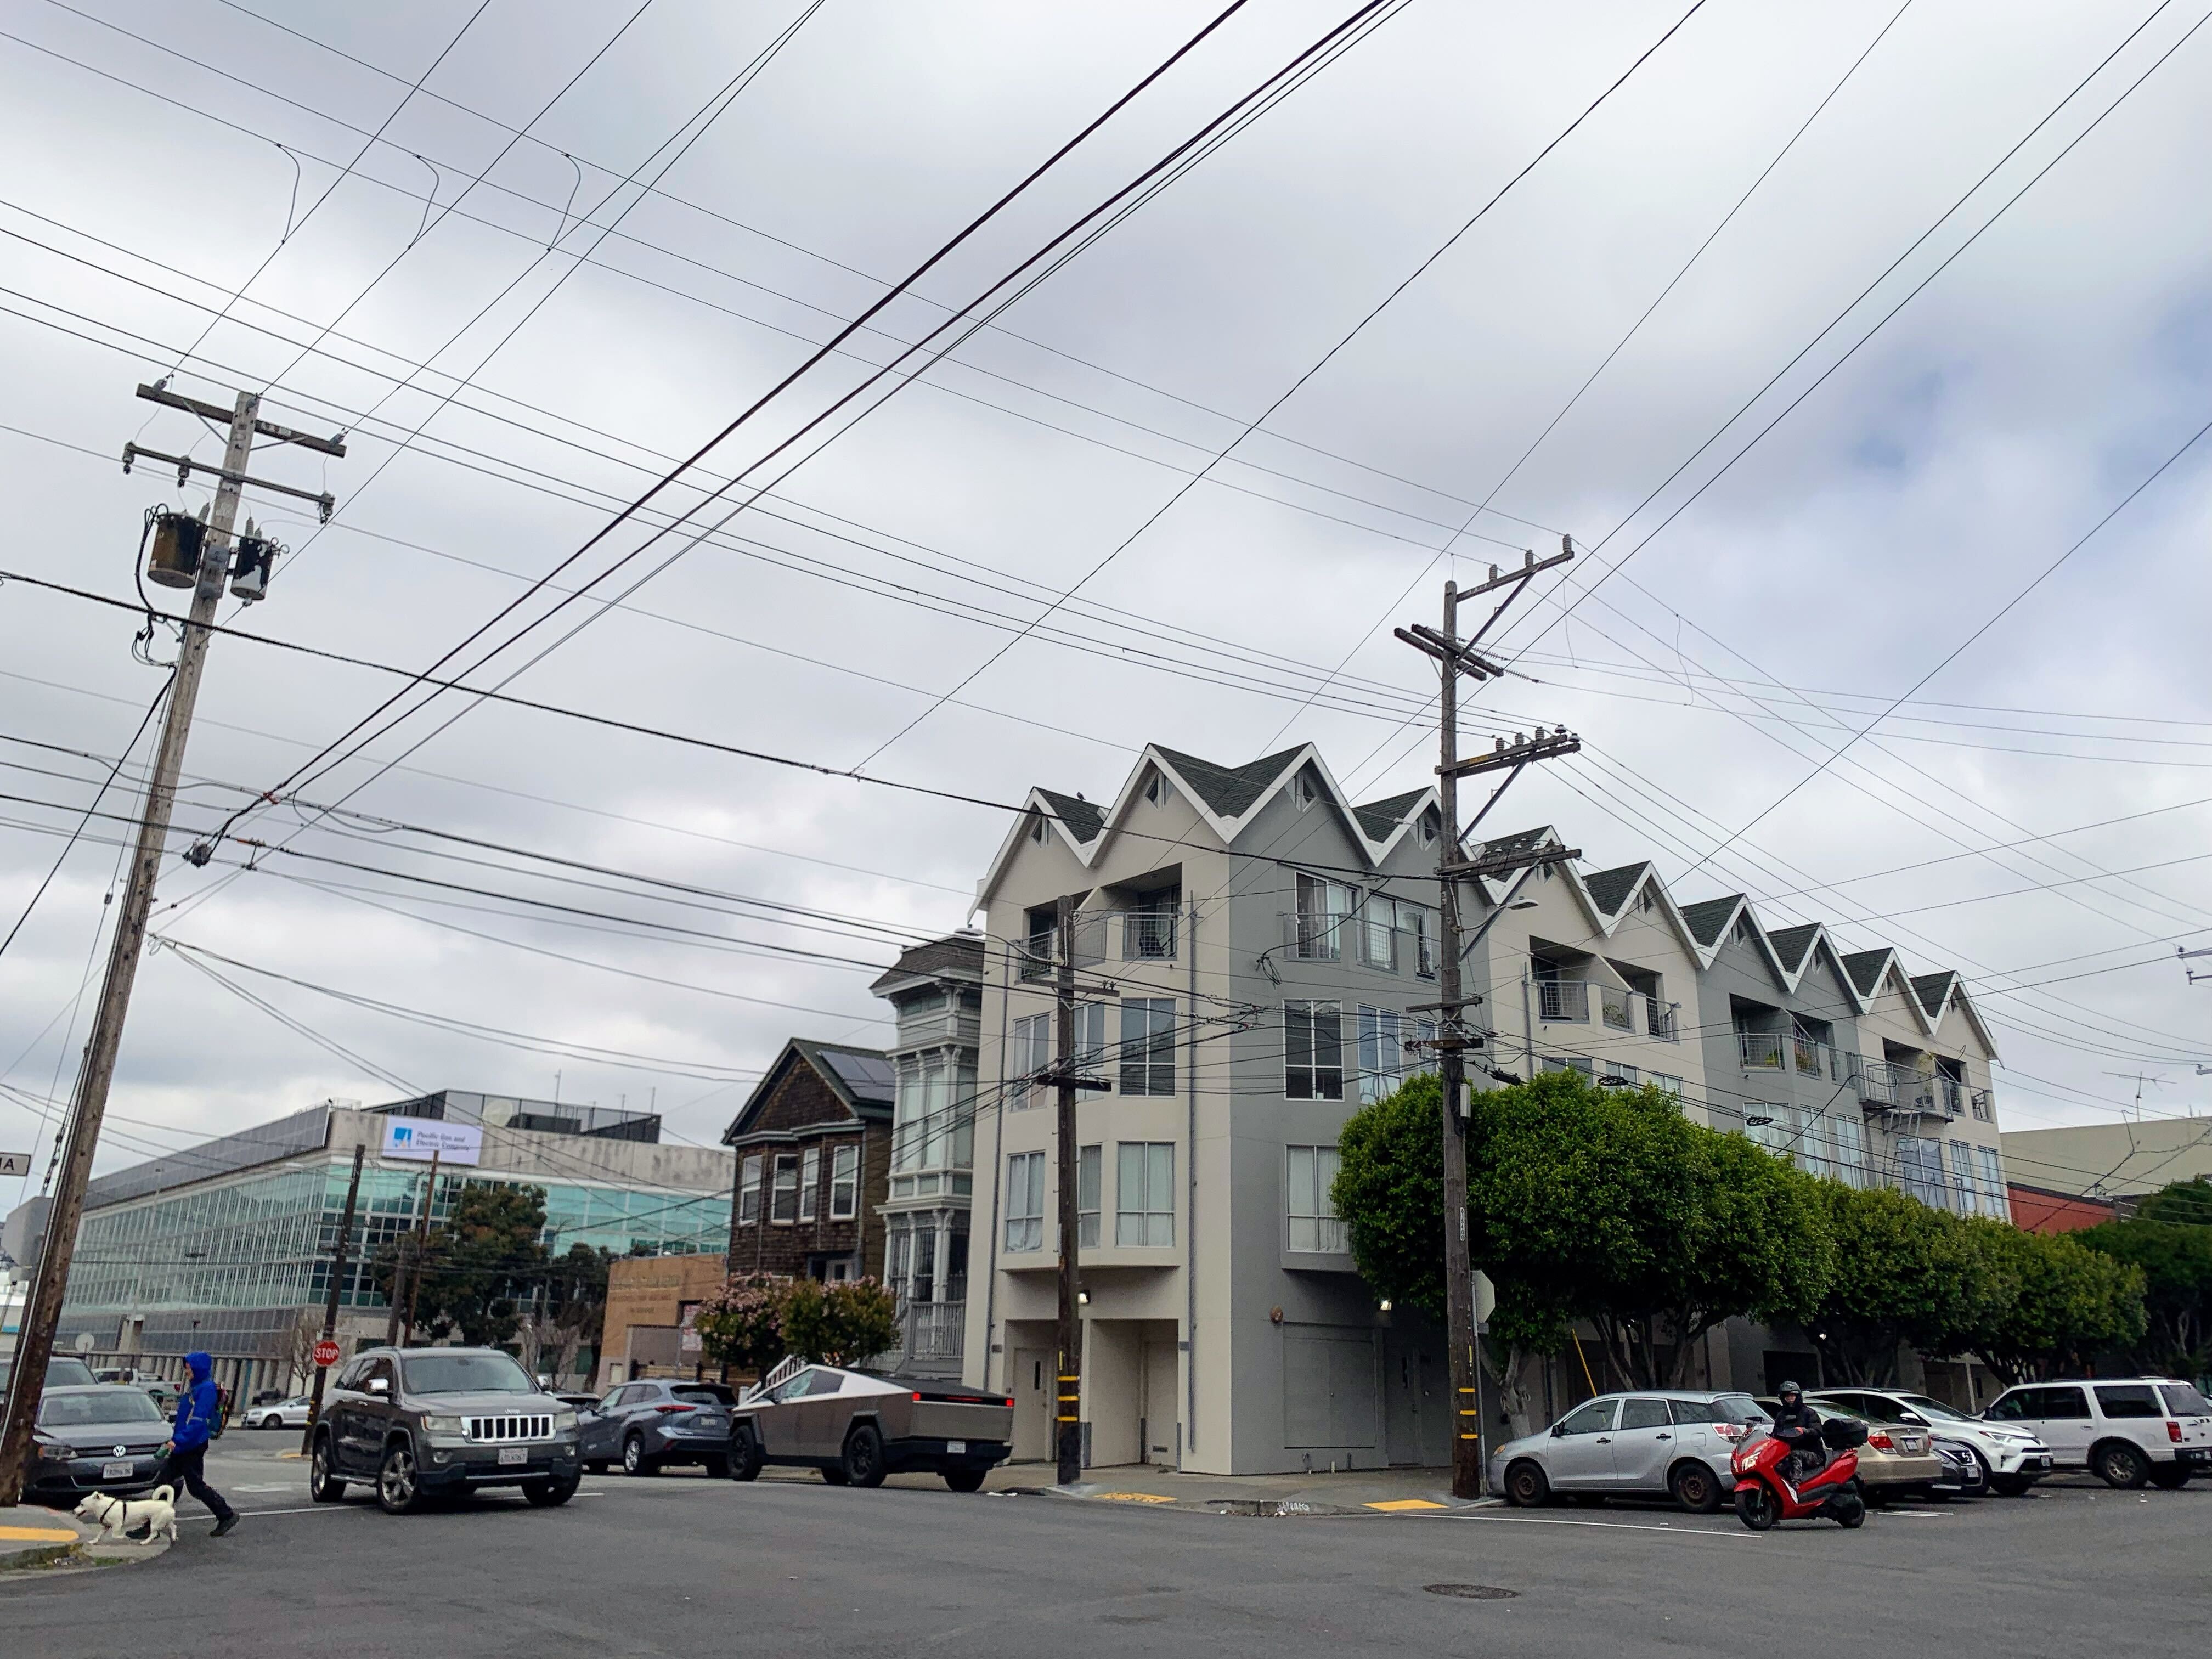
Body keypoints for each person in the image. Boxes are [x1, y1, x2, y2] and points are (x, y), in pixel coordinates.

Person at [159, 1351, 238, 1537]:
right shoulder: (195, 1388)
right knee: (164, 1482)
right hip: (184, 1445)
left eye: (188, 1367)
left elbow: (197, 1422)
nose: (186, 1371)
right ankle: (149, 1523)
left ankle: (226, 1515)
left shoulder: (206, 1390)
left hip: (192, 1446)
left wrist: (177, 1440)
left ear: (197, 1368)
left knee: (192, 1486)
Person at [1769, 1381, 1826, 1485]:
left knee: (1795, 1455)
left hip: (1813, 1453)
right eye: (1787, 1396)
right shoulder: (1781, 1416)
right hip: (1787, 1452)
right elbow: (1775, 1434)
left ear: (1797, 1396)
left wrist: (1805, 1431)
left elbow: (1818, 1432)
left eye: (1792, 1395)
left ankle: (1796, 1485)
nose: (1790, 1398)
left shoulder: (1809, 1413)